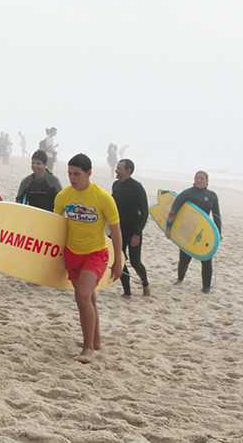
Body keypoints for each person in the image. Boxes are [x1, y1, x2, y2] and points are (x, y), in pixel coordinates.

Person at [54, 153, 123, 364]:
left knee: (82, 297)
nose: (72, 179)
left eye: (77, 174)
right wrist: (57, 256)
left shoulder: (102, 197)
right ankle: (96, 340)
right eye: (69, 174)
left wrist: (118, 261)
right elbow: (55, 228)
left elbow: (116, 231)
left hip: (96, 254)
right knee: (89, 298)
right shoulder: (63, 197)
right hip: (72, 254)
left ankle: (87, 348)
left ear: (89, 174)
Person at [167, 171, 222, 294]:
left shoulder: (212, 196)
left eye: (202, 178)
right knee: (184, 258)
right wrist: (168, 228)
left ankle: (206, 287)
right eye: (197, 178)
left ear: (207, 181)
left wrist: (218, 233)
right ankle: (180, 279)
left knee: (207, 259)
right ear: (194, 179)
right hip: (189, 230)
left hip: (205, 232)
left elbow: (216, 215)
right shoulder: (187, 193)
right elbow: (173, 210)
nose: (199, 180)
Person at [111, 159, 150, 299]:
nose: (116, 170)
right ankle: (127, 292)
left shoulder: (137, 187)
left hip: (133, 231)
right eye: (116, 168)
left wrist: (137, 234)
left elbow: (145, 212)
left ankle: (145, 283)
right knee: (119, 260)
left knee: (135, 262)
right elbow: (112, 207)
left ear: (128, 171)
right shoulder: (116, 185)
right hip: (118, 230)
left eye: (119, 168)